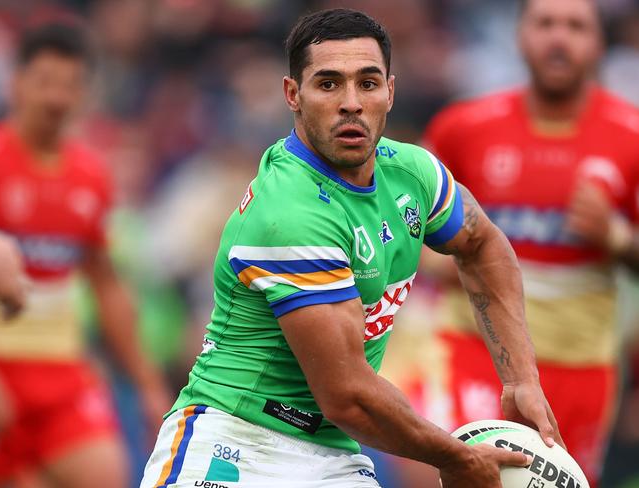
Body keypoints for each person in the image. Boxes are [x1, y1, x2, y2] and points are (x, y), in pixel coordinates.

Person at [141, 9, 564, 488]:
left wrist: (521, 379)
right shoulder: (290, 212)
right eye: (328, 84)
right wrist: (460, 457)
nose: (351, 103)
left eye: (367, 83)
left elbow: (482, 244)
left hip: (332, 453)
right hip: (236, 442)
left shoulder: (414, 174)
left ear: (390, 92)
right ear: (293, 96)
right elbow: (347, 395)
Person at [421, 0, 639, 486]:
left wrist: (617, 238)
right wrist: (432, 258)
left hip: (580, 361)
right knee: (472, 471)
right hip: (476, 348)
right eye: (545, 24)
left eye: (575, 26)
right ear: (521, 37)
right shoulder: (463, 128)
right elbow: (408, 218)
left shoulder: (635, 138)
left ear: (598, 43)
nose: (558, 38)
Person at [0, 22, 171, 488]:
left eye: (71, 85)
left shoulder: (90, 175)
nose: (57, 98)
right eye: (45, 82)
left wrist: (149, 384)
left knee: (107, 475)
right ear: (16, 83)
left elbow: (106, 285)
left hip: (62, 372)